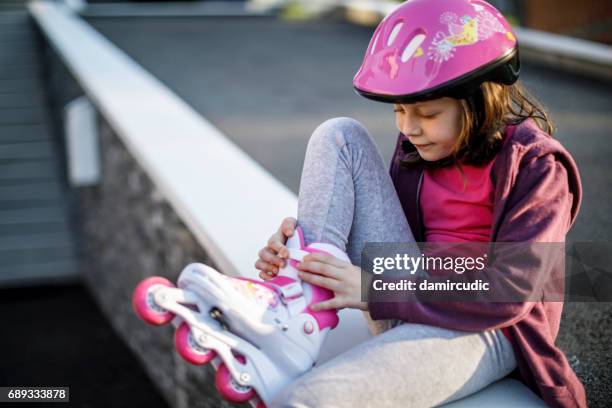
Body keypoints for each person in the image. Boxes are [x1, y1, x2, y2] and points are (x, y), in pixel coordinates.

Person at [255, 0, 587, 406]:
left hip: (487, 327)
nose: (408, 127)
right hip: (407, 286)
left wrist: (375, 289)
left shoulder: (539, 168)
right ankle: (300, 303)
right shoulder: (419, 146)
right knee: (338, 134)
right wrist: (298, 249)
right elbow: (380, 228)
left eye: (427, 113)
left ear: (480, 100)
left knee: (308, 399)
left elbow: (511, 292)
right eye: (399, 110)